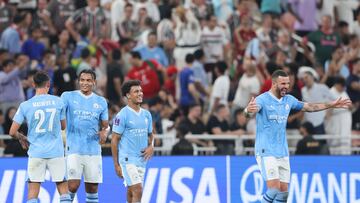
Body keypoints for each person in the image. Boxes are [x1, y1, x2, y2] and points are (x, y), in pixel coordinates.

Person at [244, 69, 351, 203]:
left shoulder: (289, 100)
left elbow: (310, 107)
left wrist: (331, 104)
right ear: (274, 84)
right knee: (273, 189)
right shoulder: (263, 99)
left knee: (283, 193)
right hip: (266, 150)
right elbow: (248, 113)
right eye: (283, 83)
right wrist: (248, 110)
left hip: (282, 151)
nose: (286, 87)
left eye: (288, 83)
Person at [9, 71, 71, 203]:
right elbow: (63, 126)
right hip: (56, 152)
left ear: (33, 84)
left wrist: (22, 137)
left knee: (32, 193)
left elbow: (12, 131)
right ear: (48, 84)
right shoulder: (58, 101)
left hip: (36, 152)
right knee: (63, 189)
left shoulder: (25, 105)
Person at [61, 69, 109, 203]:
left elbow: (106, 125)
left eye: (88, 80)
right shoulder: (67, 96)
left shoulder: (101, 101)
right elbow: (58, 115)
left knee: (93, 188)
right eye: (82, 80)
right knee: (73, 185)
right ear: (78, 81)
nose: (85, 83)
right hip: (74, 148)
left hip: (93, 149)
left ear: (94, 82)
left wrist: (105, 131)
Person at [111, 80, 154, 203]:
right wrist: (116, 165)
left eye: (141, 91)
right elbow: (114, 140)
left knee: (131, 191)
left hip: (141, 160)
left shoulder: (146, 115)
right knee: (138, 189)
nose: (140, 93)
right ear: (128, 95)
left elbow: (151, 134)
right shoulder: (122, 115)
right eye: (136, 91)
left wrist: (151, 146)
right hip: (127, 160)